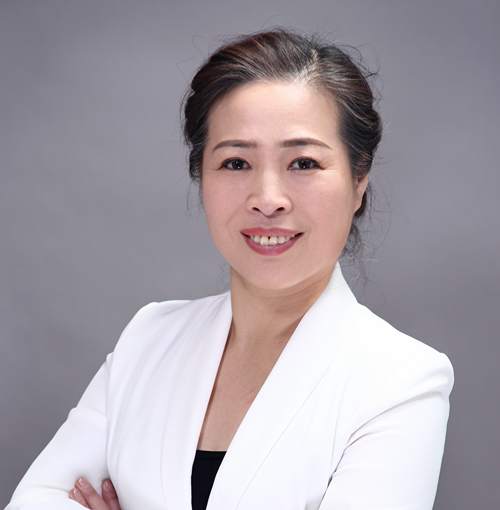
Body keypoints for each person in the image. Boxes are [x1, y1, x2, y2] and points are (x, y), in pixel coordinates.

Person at [5, 28, 454, 510]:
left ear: (358, 179)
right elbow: (36, 500)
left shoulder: (400, 379)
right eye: (236, 163)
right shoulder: (149, 338)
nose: (268, 199)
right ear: (201, 177)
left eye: (303, 163)